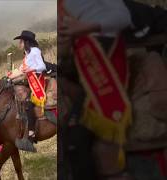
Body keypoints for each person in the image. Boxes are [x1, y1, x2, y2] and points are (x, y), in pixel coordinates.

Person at [60, 0, 133, 179]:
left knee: (78, 135)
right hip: (75, 59)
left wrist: (85, 27)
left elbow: (123, 16)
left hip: (102, 56)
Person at [8, 30, 47, 152]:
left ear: (26, 42)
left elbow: (42, 67)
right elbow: (21, 69)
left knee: (29, 103)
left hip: (38, 81)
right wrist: (9, 76)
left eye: (21, 41)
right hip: (30, 81)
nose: (19, 43)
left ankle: (31, 134)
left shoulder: (35, 51)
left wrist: (31, 69)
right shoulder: (26, 54)